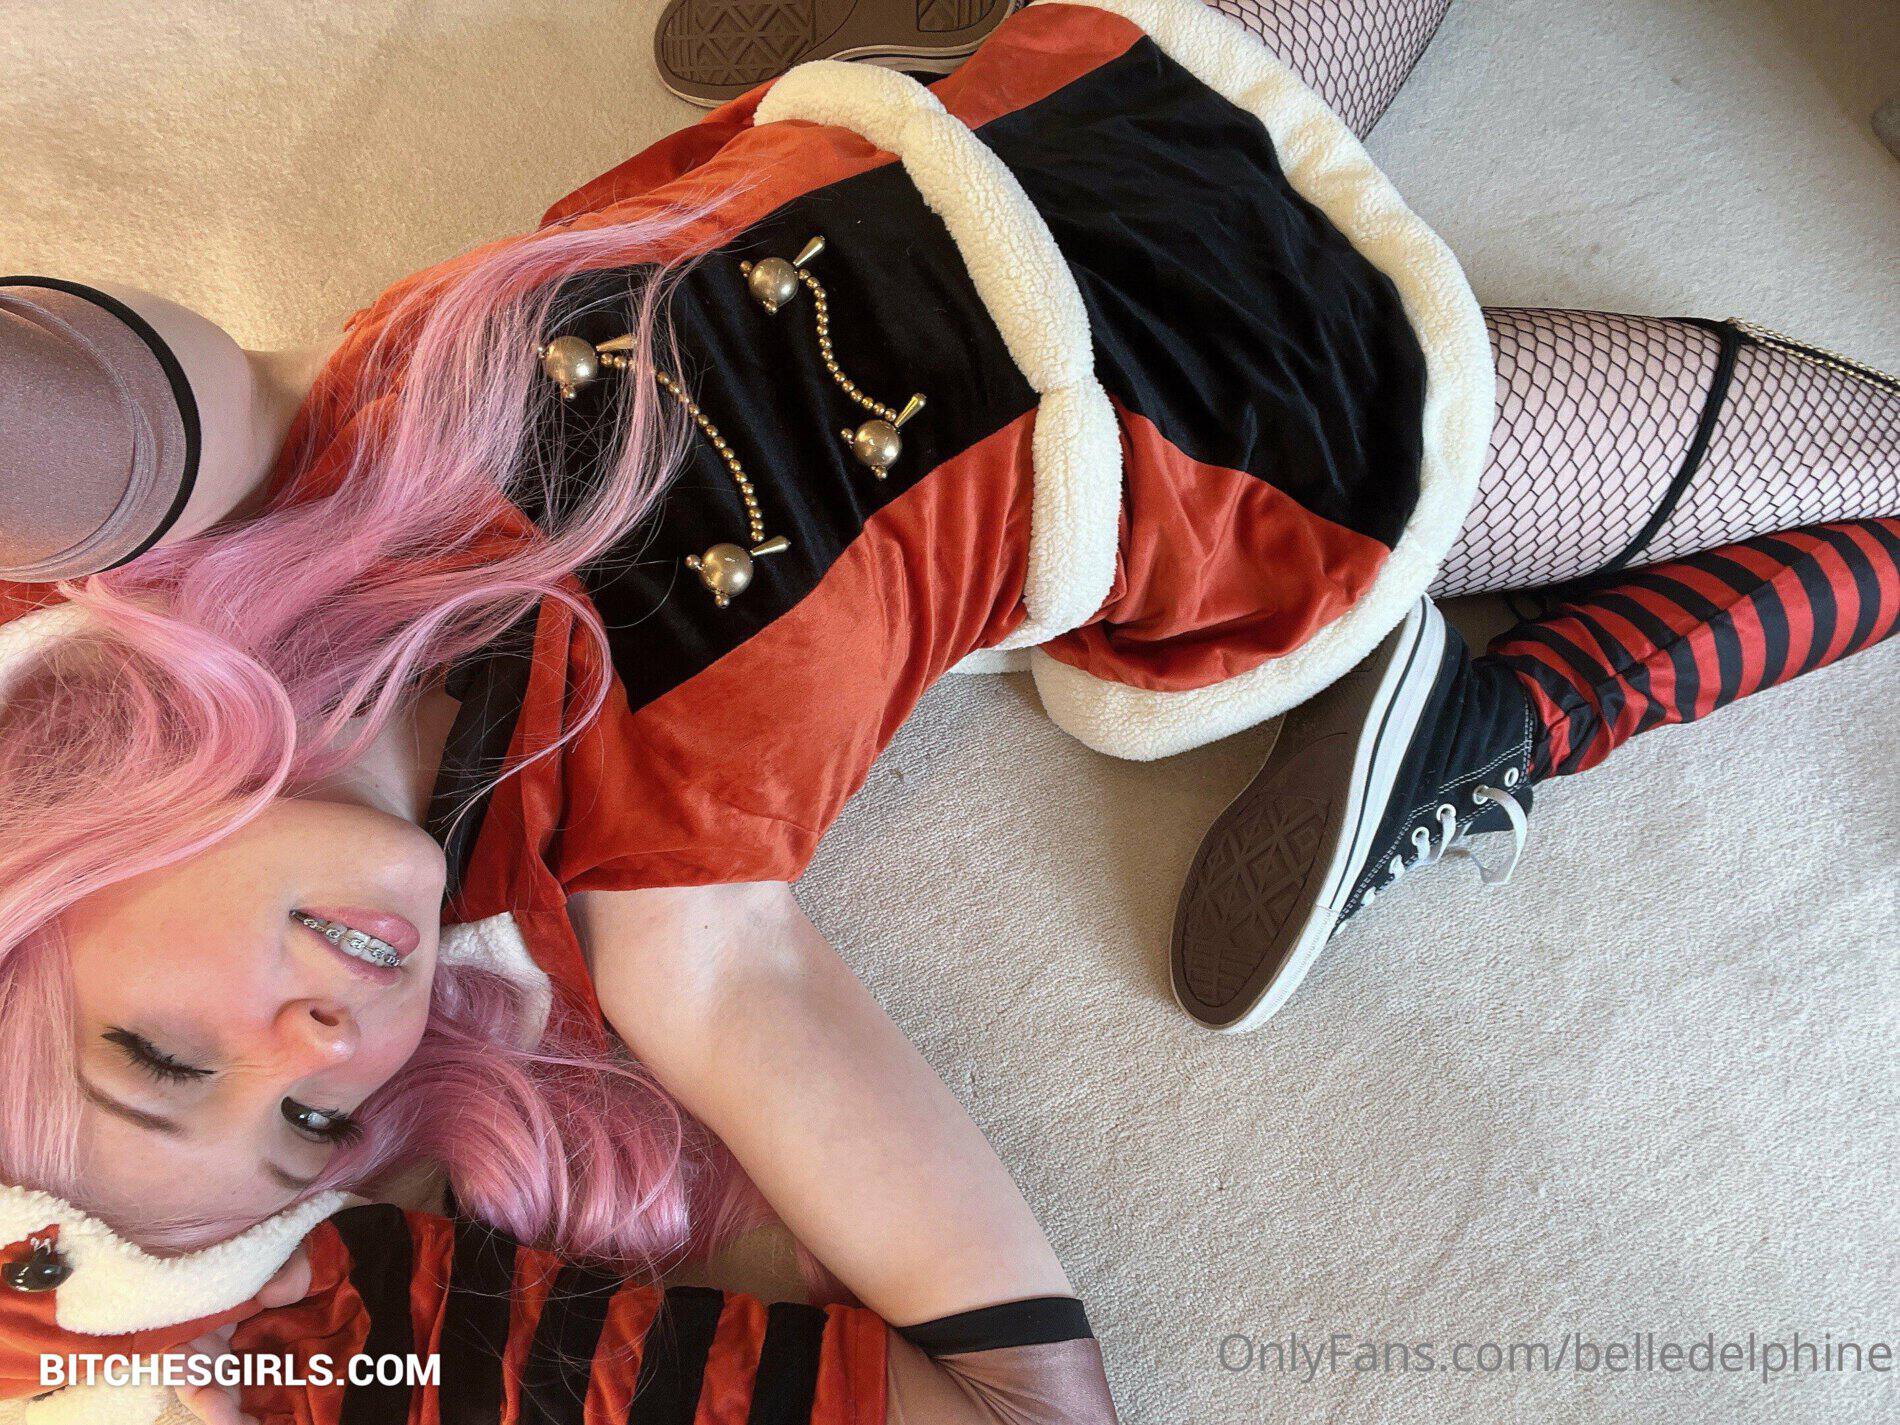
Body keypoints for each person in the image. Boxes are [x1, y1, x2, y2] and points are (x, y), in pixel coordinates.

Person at [0, 0, 1894, 1418]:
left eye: (160, 1054)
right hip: (1254, 421)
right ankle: (1514, 706)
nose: (325, 1044)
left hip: (1035, 105)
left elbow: (69, 410)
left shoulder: (243, 496)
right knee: (1881, 473)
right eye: (311, 1121)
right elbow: (1010, 1402)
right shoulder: (658, 914)